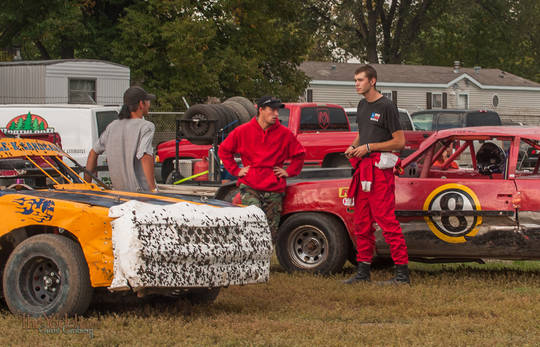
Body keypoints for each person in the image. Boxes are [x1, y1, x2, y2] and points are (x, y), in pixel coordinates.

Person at [343, 65, 410, 285]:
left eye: (360, 80)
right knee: (361, 222)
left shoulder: (387, 106)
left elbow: (399, 142)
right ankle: (363, 272)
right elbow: (362, 133)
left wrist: (370, 147)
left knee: (386, 221)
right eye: (355, 80)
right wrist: (353, 146)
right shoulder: (362, 105)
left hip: (380, 172)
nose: (356, 84)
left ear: (372, 81)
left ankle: (402, 274)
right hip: (363, 171)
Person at [218, 96, 305, 242]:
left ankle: (264, 262)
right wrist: (236, 170)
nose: (276, 114)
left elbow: (299, 154)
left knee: (270, 231)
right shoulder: (243, 131)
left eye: (277, 110)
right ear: (261, 110)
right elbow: (224, 150)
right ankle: (249, 258)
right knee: (253, 222)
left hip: (274, 188)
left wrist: (288, 172)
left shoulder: (285, 133)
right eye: (272, 110)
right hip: (250, 185)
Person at [85, 86, 158, 193]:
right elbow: (145, 156)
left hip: (120, 194)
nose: (149, 104)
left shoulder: (112, 126)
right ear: (141, 104)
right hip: (142, 194)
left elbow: (93, 153)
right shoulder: (146, 126)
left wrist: (87, 185)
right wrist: (153, 189)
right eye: (148, 101)